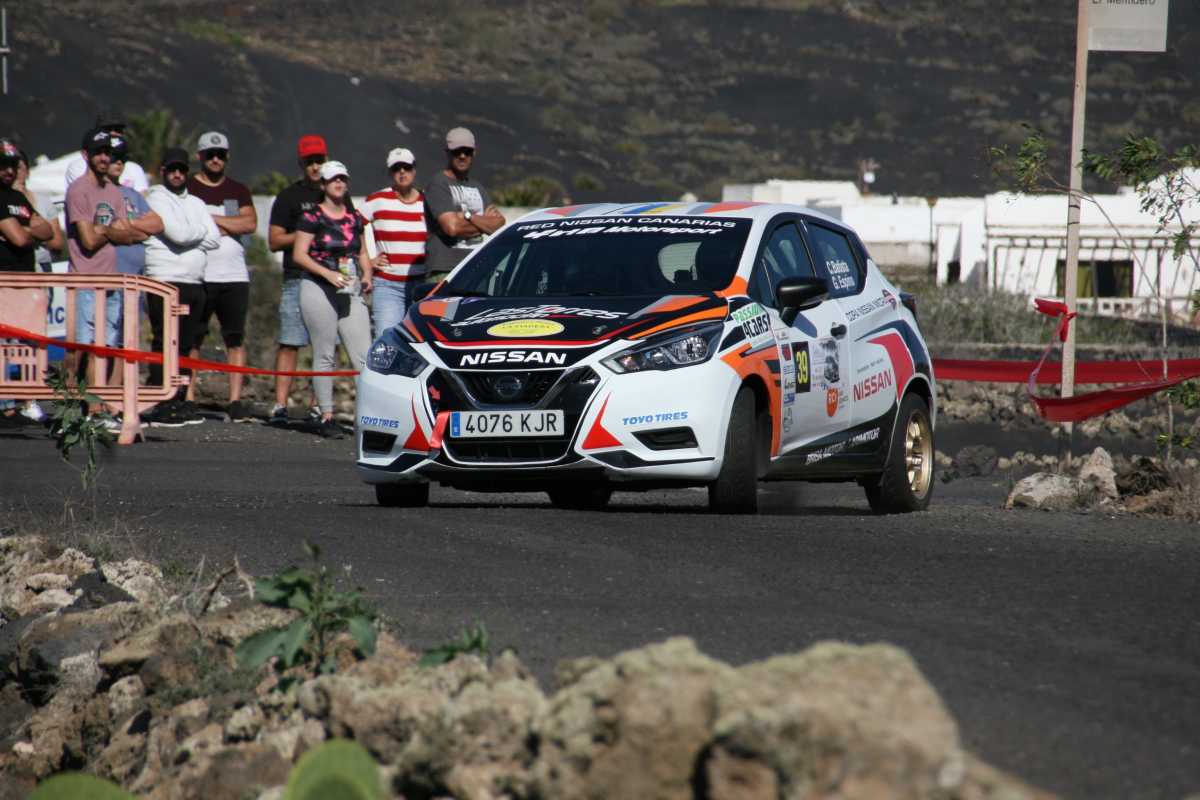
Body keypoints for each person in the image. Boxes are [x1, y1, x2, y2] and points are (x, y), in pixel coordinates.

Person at [291, 160, 373, 439]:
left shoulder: (355, 217)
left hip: (349, 288)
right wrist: (327, 274)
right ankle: (325, 415)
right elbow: (299, 254)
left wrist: (367, 275)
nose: (339, 183)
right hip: (318, 287)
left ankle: (367, 418)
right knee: (325, 353)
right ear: (324, 184)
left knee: (364, 356)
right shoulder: (312, 217)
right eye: (333, 179)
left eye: (342, 179)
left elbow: (362, 252)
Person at [65, 128, 139, 424]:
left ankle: (97, 409)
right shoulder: (78, 191)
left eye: (108, 152)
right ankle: (68, 407)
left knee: (104, 348)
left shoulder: (113, 192)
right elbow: (88, 241)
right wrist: (111, 231)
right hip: (83, 280)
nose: (104, 158)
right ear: (86, 155)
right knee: (79, 351)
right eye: (98, 152)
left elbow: (129, 235)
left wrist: (104, 230)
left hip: (110, 280)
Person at [142, 147, 220, 427]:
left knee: (186, 344)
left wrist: (192, 235)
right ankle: (159, 399)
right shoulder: (155, 198)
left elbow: (215, 238)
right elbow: (178, 234)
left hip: (194, 282)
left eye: (182, 170)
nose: (177, 174)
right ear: (163, 171)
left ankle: (179, 398)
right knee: (164, 341)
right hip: (165, 279)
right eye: (172, 169)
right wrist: (197, 233)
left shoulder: (197, 202)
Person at [267, 134, 341, 427]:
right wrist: (306, 233)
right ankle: (280, 405)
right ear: (301, 163)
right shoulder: (289, 197)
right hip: (298, 277)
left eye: (319, 160)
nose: (315, 167)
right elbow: (274, 240)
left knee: (328, 345)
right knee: (290, 341)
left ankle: (319, 406)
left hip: (330, 279)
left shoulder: (338, 193)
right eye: (309, 162)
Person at [186, 131, 257, 422]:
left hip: (234, 275)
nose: (215, 159)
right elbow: (187, 224)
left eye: (220, 154)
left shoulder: (238, 189)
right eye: (210, 155)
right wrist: (229, 224)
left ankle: (235, 400)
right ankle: (188, 397)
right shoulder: (188, 188)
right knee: (193, 338)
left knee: (235, 338)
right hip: (199, 274)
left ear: (227, 156)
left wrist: (210, 220)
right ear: (200, 156)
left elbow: (249, 223)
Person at [0, 138, 55, 427]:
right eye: (3, 165)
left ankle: (25, 401)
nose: (9, 171)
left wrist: (22, 228)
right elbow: (21, 238)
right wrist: (25, 229)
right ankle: (5, 406)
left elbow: (47, 231)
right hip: (4, 280)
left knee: (27, 344)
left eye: (12, 165)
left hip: (26, 279)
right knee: (3, 344)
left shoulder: (18, 198)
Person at [424, 127, 505, 282]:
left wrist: (468, 216)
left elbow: (499, 226)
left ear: (474, 153)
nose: (462, 156)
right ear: (447, 152)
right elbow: (452, 228)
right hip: (445, 271)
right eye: (457, 151)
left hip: (476, 268)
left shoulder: (478, 187)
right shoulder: (438, 184)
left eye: (467, 152)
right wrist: (484, 223)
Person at [362, 147, 426, 335]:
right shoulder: (377, 200)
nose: (402, 172)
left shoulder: (428, 201)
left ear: (414, 170)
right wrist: (368, 260)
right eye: (396, 168)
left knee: (419, 342)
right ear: (390, 172)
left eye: (406, 167)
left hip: (422, 285)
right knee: (387, 340)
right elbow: (351, 226)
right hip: (388, 286)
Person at [64, 110, 149, 194]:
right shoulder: (78, 166)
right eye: (107, 130)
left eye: (118, 130)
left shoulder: (134, 169)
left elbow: (141, 199)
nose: (113, 133)